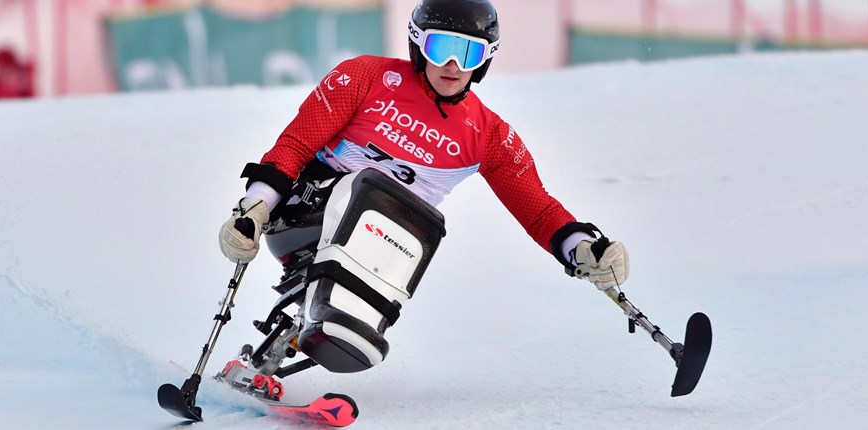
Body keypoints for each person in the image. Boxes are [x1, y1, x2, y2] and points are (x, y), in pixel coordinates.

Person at [217, 0, 629, 373]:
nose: (452, 64)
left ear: (484, 61)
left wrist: (581, 248)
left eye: (468, 53)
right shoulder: (365, 77)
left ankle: (301, 341)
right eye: (440, 48)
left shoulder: (488, 135)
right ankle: (321, 316)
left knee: (421, 221)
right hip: (301, 214)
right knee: (369, 190)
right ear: (418, 46)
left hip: (381, 247)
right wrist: (255, 209)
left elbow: (538, 210)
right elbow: (294, 146)